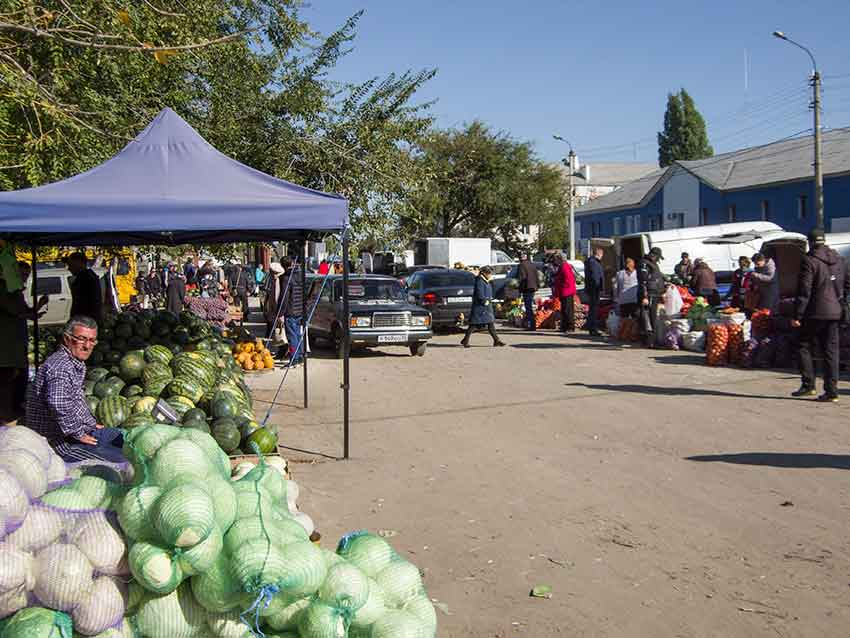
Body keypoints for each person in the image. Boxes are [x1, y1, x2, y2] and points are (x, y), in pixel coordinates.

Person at [25, 316, 126, 463]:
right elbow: (58, 402)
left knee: (127, 438)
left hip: (76, 433)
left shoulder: (73, 362)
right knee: (121, 462)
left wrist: (89, 423)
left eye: (92, 340)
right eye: (81, 339)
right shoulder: (61, 367)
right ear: (67, 339)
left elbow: (74, 400)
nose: (87, 345)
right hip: (58, 442)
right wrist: (77, 432)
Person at [791, 228, 850, 402]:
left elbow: (804, 290)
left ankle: (808, 385)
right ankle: (832, 392)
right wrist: (841, 301)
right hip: (835, 312)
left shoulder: (809, 260)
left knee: (802, 344)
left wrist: (797, 315)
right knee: (831, 351)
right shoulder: (839, 259)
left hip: (814, 312)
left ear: (809, 242)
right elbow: (848, 284)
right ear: (824, 241)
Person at [0, 262, 46, 423]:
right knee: (7, 381)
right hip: (6, 347)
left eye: (27, 276)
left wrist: (38, 306)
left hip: (16, 344)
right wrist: (31, 313)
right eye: (22, 275)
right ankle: (6, 417)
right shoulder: (6, 288)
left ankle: (15, 411)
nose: (25, 279)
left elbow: (25, 312)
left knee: (20, 378)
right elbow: (18, 311)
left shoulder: (15, 291)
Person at [461, 266, 505, 347]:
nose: (490, 275)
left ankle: (496, 340)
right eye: (489, 273)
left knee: (490, 323)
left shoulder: (485, 281)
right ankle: (465, 340)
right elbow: (479, 293)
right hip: (480, 307)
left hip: (486, 307)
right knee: (473, 325)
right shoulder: (480, 281)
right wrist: (484, 301)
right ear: (484, 273)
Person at [637, 247, 665, 347]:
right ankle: (650, 341)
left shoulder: (653, 264)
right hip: (649, 294)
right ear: (653, 255)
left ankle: (649, 340)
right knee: (648, 317)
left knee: (651, 317)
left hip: (655, 293)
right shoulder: (644, 263)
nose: (658, 260)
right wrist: (645, 296)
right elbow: (642, 280)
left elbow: (657, 276)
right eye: (658, 258)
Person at [279, 258, 304, 364]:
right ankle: (300, 356)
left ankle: (294, 358)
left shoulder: (287, 278)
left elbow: (284, 297)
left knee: (291, 336)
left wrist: (280, 312)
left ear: (283, 266)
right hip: (300, 310)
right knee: (298, 334)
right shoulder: (300, 275)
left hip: (290, 310)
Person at [66, 252, 102, 322]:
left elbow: (92, 303)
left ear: (80, 263)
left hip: (86, 321)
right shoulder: (84, 277)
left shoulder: (88, 278)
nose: (69, 268)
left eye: (71, 265)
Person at [552, 254, 576, 333]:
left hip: (566, 291)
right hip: (565, 291)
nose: (556, 261)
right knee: (564, 309)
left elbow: (568, 280)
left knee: (567, 310)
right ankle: (564, 326)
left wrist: (559, 283)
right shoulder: (563, 266)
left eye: (557, 259)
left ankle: (570, 327)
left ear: (560, 259)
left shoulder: (565, 267)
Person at [584, 247, 604, 336]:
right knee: (594, 309)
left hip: (592, 288)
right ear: (599, 254)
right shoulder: (594, 263)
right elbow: (595, 277)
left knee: (593, 308)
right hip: (594, 289)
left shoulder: (591, 262)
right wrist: (598, 286)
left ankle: (591, 327)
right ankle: (593, 328)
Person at [517, 254, 539, 330]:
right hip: (533, 287)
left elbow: (522, 278)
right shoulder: (532, 265)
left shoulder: (521, 265)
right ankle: (530, 324)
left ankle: (532, 325)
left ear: (521, 259)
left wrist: (520, 289)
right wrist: (537, 286)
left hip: (527, 288)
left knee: (528, 306)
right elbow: (537, 276)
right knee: (529, 306)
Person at [264, 262, 285, 339]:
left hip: (275, 306)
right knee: (271, 322)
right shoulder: (272, 279)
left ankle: (274, 337)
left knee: (275, 324)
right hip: (272, 306)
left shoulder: (278, 280)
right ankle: (270, 336)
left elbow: (276, 295)